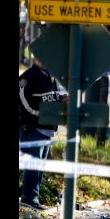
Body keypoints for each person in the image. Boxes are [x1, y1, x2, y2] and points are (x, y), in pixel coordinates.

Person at [18, 58, 66, 211]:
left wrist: (61, 98)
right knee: (33, 167)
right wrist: (41, 115)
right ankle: (28, 199)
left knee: (40, 167)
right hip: (32, 129)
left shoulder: (49, 76)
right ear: (34, 58)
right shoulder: (27, 77)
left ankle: (34, 200)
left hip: (47, 129)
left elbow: (50, 97)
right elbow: (24, 102)